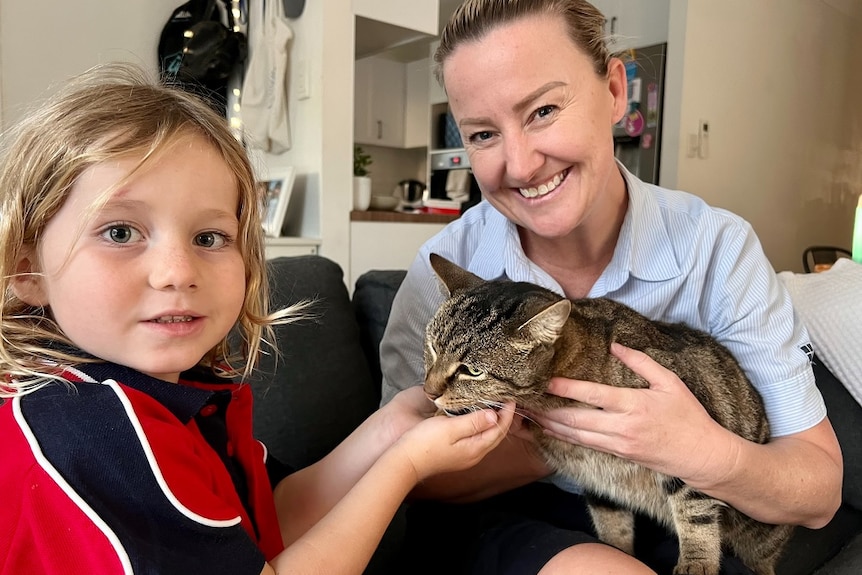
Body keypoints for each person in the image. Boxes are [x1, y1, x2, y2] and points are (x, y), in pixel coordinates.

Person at [379, 1, 843, 574]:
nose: (520, 165)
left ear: (615, 92)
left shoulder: (716, 248)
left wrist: (700, 451)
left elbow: (819, 492)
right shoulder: (445, 267)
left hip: (694, 505)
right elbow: (400, 476)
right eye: (482, 134)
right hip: (520, 516)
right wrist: (555, 446)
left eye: (544, 109)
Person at [0, 63, 515, 575]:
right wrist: (406, 467)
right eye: (119, 233)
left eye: (209, 238)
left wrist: (389, 433)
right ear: (27, 268)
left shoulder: (178, 394)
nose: (178, 272)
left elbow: (268, 518)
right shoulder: (89, 431)